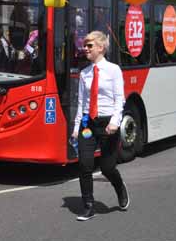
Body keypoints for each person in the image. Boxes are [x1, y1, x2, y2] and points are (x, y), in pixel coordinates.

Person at [72, 31, 129, 221]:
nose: (85, 48)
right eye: (85, 45)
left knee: (107, 167)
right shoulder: (84, 73)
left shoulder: (114, 70)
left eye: (89, 45)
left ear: (101, 48)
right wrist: (76, 126)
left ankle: (119, 188)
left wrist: (115, 122)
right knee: (84, 164)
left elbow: (119, 99)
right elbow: (82, 102)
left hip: (107, 123)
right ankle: (88, 205)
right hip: (88, 123)